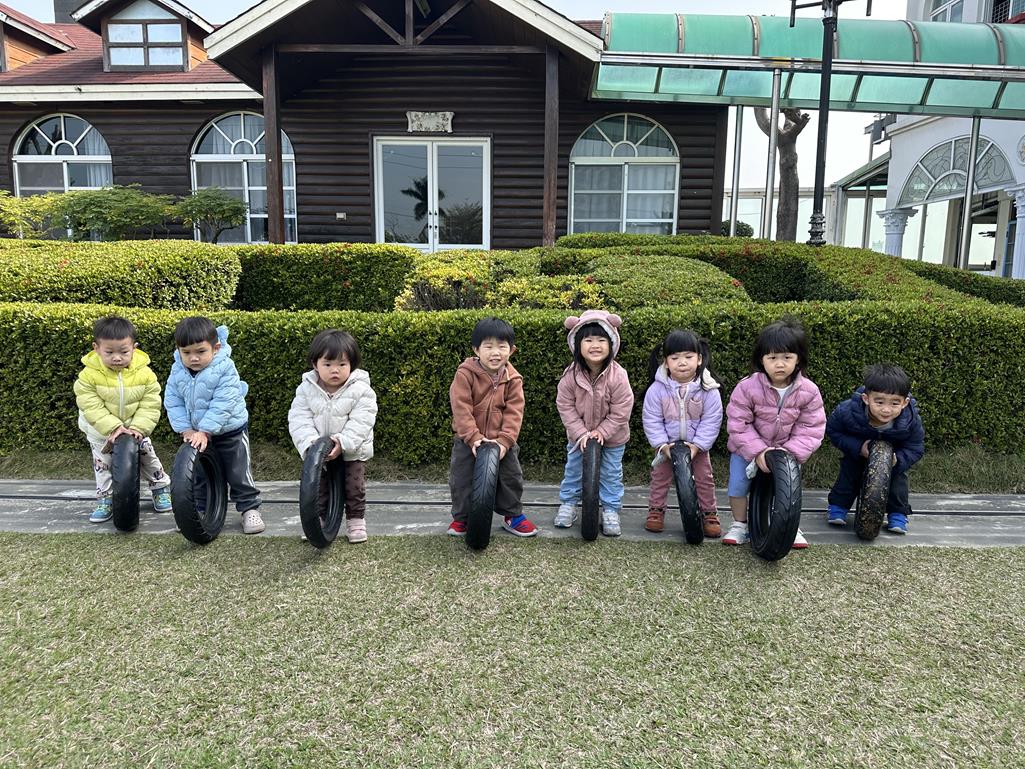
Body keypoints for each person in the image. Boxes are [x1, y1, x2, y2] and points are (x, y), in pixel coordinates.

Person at [723, 317, 825, 549]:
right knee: (738, 485)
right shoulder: (746, 387)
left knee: (788, 490)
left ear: (798, 359)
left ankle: (789, 526)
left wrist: (788, 453)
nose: (780, 364)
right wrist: (758, 451)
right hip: (746, 451)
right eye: (772, 358)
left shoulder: (809, 391)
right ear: (762, 359)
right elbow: (739, 423)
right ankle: (740, 525)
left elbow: (811, 428)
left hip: (787, 453)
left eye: (787, 357)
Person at [164, 316, 264, 534]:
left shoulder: (225, 368)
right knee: (200, 474)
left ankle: (249, 508)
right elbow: (172, 400)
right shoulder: (178, 370)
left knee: (238, 472)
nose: (193, 358)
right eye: (186, 352)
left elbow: (224, 402)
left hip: (230, 431)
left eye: (200, 351)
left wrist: (206, 430)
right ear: (179, 350)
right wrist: (186, 429)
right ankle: (199, 512)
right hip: (197, 434)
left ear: (215, 348)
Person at [74, 316, 172, 523]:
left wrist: (139, 427)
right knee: (103, 466)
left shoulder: (145, 374)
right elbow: (90, 405)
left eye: (124, 352)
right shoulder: (88, 376)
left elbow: (150, 403)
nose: (117, 358)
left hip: (135, 431)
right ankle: (106, 499)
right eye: (109, 352)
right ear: (96, 348)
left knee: (148, 458)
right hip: (102, 433)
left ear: (134, 348)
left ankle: (160, 488)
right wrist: (113, 427)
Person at [447, 317, 537, 538]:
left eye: (501, 347)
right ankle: (462, 518)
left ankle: (512, 515)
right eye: (488, 346)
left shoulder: (513, 379)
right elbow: (461, 407)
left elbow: (515, 412)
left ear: (511, 350)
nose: (495, 352)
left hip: (501, 441)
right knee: (462, 479)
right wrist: (472, 437)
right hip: (468, 441)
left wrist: (505, 441)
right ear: (476, 349)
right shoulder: (465, 374)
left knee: (511, 478)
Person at [288, 329, 378, 544]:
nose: (335, 370)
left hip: (352, 451)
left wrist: (343, 442)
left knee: (354, 486)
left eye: (342, 364)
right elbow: (299, 419)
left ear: (352, 365)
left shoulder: (361, 390)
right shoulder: (306, 389)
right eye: (327, 364)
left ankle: (356, 519)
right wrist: (312, 445)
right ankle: (318, 521)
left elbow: (362, 421)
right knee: (317, 486)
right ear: (315, 364)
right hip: (319, 451)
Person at [554, 310, 634, 537]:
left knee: (610, 474)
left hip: (613, 439)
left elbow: (622, 410)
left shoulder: (618, 375)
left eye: (601, 340)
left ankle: (610, 509)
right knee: (574, 471)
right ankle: (569, 503)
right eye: (588, 340)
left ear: (612, 344)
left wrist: (602, 432)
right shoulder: (571, 375)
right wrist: (580, 433)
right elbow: (565, 406)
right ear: (577, 345)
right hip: (578, 438)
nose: (595, 345)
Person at [825, 363, 925, 535]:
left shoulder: (910, 421)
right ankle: (838, 506)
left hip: (892, 460)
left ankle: (898, 514)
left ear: (905, 402)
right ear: (866, 398)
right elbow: (833, 431)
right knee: (849, 473)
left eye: (895, 403)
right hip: (859, 454)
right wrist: (858, 447)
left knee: (898, 481)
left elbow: (915, 447)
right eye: (879, 402)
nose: (886, 409)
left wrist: (898, 460)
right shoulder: (848, 412)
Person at [642, 329, 723, 537]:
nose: (682, 362)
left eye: (688, 357)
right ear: (666, 362)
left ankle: (709, 513)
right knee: (660, 477)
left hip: (697, 447)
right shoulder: (657, 390)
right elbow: (651, 419)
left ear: (699, 359)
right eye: (675, 358)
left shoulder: (708, 389)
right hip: (667, 446)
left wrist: (699, 445)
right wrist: (662, 445)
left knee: (704, 478)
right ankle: (656, 510)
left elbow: (712, 420)